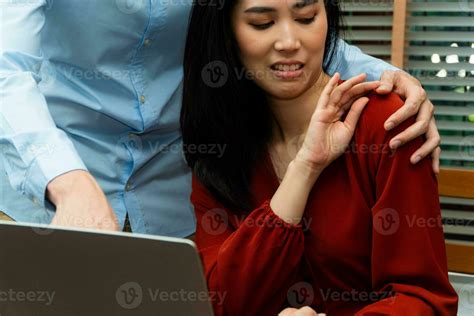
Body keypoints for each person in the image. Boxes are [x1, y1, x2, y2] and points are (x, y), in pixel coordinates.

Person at [1, 0, 440, 236]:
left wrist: (393, 80)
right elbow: (6, 67)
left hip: (171, 194)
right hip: (47, 189)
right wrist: (66, 179)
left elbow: (278, 15)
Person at [181, 0, 458, 315]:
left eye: (306, 18)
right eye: (262, 23)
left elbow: (424, 300)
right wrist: (305, 169)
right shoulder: (219, 147)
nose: (289, 43)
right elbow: (222, 305)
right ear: (226, 34)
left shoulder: (389, 124)